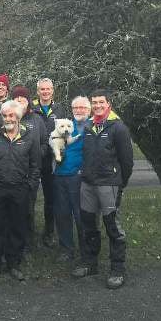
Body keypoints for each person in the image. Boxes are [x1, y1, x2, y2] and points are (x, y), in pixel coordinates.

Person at [72, 90, 133, 290]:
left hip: (109, 184)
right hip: (88, 184)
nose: (97, 105)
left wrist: (119, 183)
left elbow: (127, 161)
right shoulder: (89, 125)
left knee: (113, 227)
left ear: (109, 104)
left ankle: (117, 269)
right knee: (89, 224)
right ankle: (90, 263)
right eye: (94, 102)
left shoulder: (118, 127)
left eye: (101, 102)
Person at [0, 100, 40, 281]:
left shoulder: (30, 137)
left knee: (17, 227)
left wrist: (30, 184)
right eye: (5, 115)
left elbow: (35, 165)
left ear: (18, 117)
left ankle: (14, 263)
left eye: (12, 115)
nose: (8, 118)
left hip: (20, 189)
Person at [11, 85, 48, 256]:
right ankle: (9, 241)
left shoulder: (37, 120)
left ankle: (27, 243)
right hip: (10, 171)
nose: (20, 102)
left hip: (30, 172)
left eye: (23, 99)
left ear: (28, 101)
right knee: (10, 209)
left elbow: (44, 144)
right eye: (17, 99)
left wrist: (32, 155)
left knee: (27, 209)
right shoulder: (7, 118)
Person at [53, 96, 91, 261]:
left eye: (82, 107)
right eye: (76, 108)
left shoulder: (92, 126)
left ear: (88, 110)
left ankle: (86, 250)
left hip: (80, 178)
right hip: (61, 176)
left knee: (81, 215)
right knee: (62, 214)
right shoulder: (67, 125)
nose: (79, 110)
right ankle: (66, 249)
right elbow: (53, 140)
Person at [31, 77, 66, 247]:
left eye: (48, 89)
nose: (45, 92)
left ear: (53, 90)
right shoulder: (31, 108)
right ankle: (27, 232)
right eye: (42, 89)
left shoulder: (60, 109)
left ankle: (49, 232)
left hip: (52, 160)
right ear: (37, 91)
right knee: (28, 197)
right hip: (33, 159)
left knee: (50, 198)